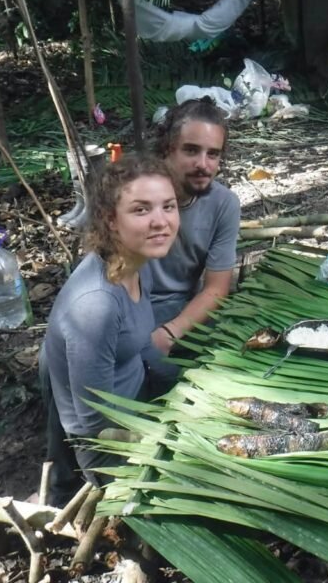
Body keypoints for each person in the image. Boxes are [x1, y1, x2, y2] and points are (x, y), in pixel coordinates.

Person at [42, 155, 181, 504]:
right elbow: (93, 423)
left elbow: (140, 346)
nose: (161, 221)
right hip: (107, 443)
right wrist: (164, 440)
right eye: (141, 210)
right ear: (110, 220)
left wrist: (187, 387)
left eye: (169, 206)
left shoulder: (135, 262)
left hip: (135, 402)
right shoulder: (97, 304)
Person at [146, 98, 241, 383]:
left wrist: (171, 331)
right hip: (129, 305)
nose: (203, 164)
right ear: (167, 148)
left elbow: (216, 289)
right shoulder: (137, 190)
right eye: (191, 150)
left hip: (182, 305)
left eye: (213, 154)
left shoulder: (223, 204)